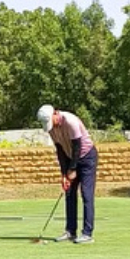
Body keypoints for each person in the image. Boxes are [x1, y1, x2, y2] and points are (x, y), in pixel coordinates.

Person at [37, 104, 98, 244]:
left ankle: (87, 233)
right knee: (69, 193)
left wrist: (72, 169)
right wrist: (64, 174)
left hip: (87, 157)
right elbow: (60, 150)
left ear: (54, 114)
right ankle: (70, 231)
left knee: (86, 194)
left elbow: (77, 146)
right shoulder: (51, 129)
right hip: (71, 158)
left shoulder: (71, 121)